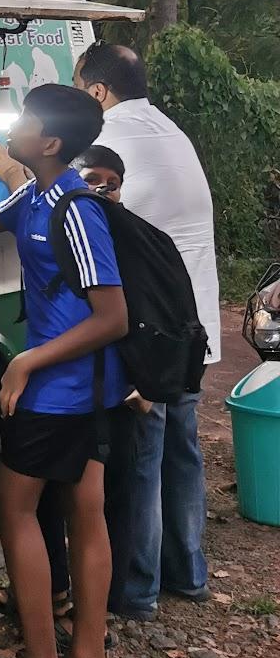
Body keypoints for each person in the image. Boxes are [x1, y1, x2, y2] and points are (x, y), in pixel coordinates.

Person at [0, 85, 129, 658]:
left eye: (26, 119)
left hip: (66, 391)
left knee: (17, 511)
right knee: (84, 510)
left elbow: (113, 316)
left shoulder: (74, 208)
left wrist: (27, 360)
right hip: (84, 390)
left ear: (52, 143)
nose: (15, 124)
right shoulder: (34, 196)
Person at [74, 43, 218, 618]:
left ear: (98, 92)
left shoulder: (109, 142)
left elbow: (73, 203)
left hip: (151, 330)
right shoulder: (171, 133)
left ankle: (137, 589)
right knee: (183, 448)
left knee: (142, 456)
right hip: (194, 324)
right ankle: (189, 571)